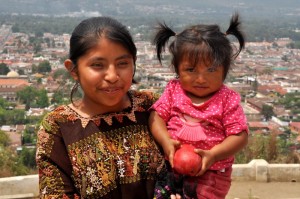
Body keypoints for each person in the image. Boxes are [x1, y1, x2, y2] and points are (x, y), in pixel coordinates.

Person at [36, 16, 165, 199]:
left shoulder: (151, 107)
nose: (112, 76)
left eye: (122, 63)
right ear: (73, 69)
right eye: (97, 65)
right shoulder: (58, 127)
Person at [149, 13, 249, 199]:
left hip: (211, 173)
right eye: (190, 70)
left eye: (211, 70)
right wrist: (165, 141)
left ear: (225, 70)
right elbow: (156, 116)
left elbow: (239, 135)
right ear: (177, 69)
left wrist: (213, 154)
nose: (201, 79)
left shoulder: (227, 99)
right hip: (171, 167)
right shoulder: (173, 90)